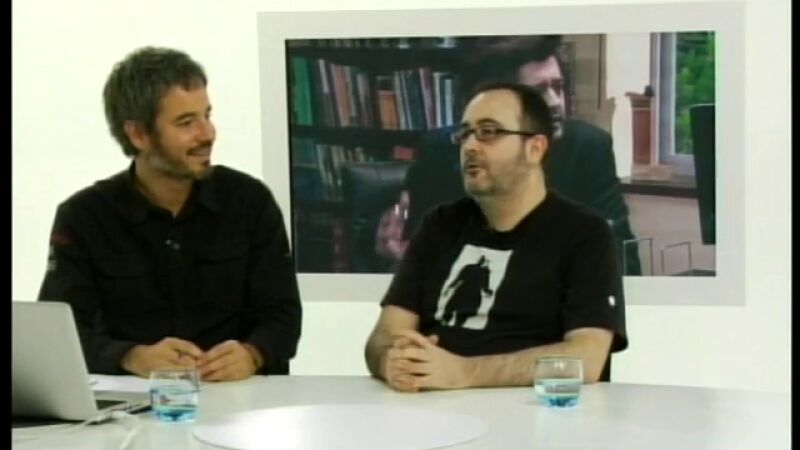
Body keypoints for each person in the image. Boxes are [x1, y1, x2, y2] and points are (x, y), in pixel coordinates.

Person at [37, 47, 302, 381]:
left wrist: (252, 354)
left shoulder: (249, 201)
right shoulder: (84, 217)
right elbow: (62, 335)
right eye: (186, 123)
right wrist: (130, 357)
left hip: (238, 396)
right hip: (133, 400)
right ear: (138, 134)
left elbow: (282, 316)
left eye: (207, 115)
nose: (207, 134)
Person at [364, 82, 628, 392]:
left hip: (528, 412)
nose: (470, 146)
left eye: (488, 132)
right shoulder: (440, 225)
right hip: (428, 406)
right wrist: (392, 361)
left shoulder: (584, 233)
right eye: (465, 134)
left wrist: (465, 373)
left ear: (535, 148)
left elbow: (587, 357)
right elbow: (383, 336)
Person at [379, 35, 641, 276]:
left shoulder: (587, 149)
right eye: (537, 93)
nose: (554, 103)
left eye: (558, 87)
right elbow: (411, 244)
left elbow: (623, 256)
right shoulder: (442, 152)